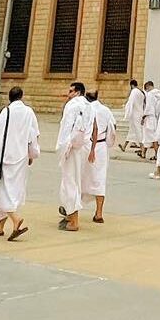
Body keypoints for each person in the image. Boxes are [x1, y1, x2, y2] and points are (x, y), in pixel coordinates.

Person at [0, 86, 39, 240]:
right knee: (13, 190)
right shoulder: (29, 112)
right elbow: (34, 134)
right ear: (21, 96)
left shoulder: (7, 112)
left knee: (2, 190)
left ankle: (16, 219)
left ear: (9, 97)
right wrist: (31, 153)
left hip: (5, 157)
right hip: (21, 157)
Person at [56, 81, 93, 231]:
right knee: (75, 182)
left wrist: (62, 148)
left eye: (71, 91)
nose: (68, 94)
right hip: (83, 147)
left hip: (71, 148)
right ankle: (69, 214)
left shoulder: (72, 106)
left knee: (69, 182)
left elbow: (66, 128)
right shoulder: (89, 106)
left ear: (78, 92)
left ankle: (74, 221)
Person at [83, 88, 116, 224]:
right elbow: (112, 128)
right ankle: (99, 213)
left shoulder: (85, 109)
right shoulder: (105, 110)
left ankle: (72, 207)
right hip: (101, 146)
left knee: (81, 176)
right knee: (100, 178)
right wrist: (108, 143)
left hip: (86, 145)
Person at [141, 80, 160, 166]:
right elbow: (159, 107)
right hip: (155, 118)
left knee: (151, 138)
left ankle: (156, 154)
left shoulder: (150, 94)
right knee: (152, 137)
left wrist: (143, 116)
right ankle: (144, 153)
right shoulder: (159, 94)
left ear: (147, 87)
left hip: (149, 118)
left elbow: (148, 107)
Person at [121, 79, 144, 152]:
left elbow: (131, 102)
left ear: (131, 85)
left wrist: (127, 113)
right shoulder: (140, 92)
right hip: (140, 113)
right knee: (132, 131)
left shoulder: (134, 92)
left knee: (138, 131)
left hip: (135, 114)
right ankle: (124, 146)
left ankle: (142, 148)